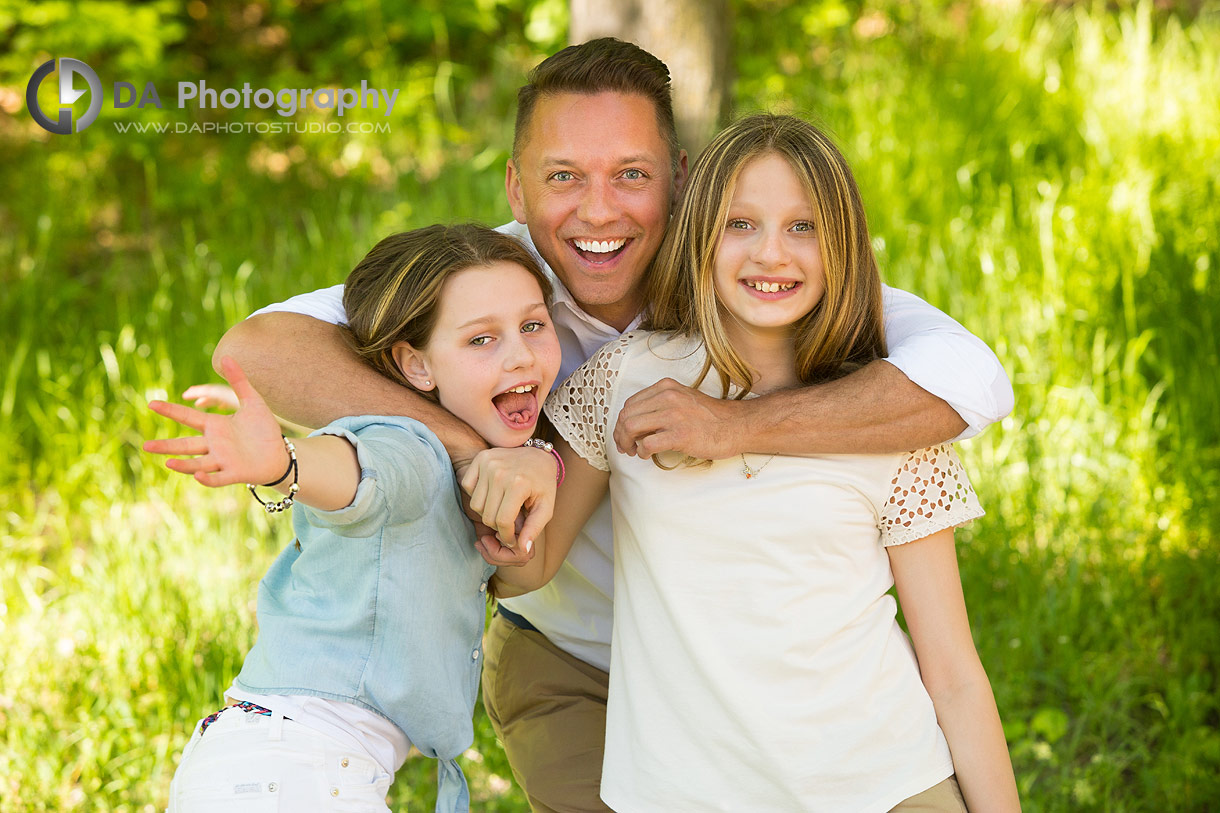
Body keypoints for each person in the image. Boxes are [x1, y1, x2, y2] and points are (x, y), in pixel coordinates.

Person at [213, 39, 1015, 812]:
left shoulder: (772, 283)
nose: (598, 209)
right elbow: (261, 348)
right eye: (564, 176)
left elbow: (970, 382)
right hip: (572, 662)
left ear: (680, 181)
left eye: (631, 174)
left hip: (813, 705)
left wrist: (735, 426)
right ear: (516, 190)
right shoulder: (483, 288)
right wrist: (503, 456)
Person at [478, 113, 1021, 811]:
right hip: (685, 792)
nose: (773, 254)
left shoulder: (887, 410)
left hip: (886, 782)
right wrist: (509, 477)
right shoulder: (625, 380)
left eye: (804, 227)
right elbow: (528, 566)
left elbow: (952, 673)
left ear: (842, 247)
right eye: (741, 224)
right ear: (699, 234)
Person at [144, 224, 563, 813]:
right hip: (292, 771)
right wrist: (286, 466)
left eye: (533, 325)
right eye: (480, 341)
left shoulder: (477, 457)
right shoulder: (410, 449)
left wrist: (541, 458)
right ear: (416, 367)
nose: (520, 354)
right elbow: (362, 472)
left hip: (281, 760)